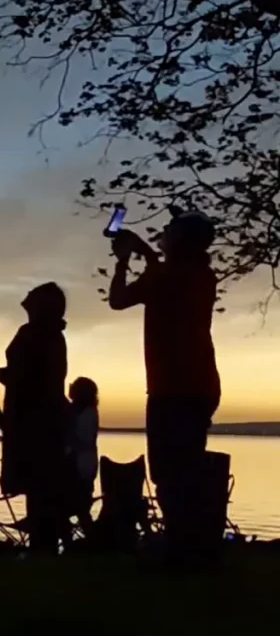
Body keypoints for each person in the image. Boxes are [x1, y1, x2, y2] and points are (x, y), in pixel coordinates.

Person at [108, 207, 221, 564]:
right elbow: (166, 274)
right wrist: (149, 254)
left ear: (180, 240)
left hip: (171, 388)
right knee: (187, 467)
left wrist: (125, 261)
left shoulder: (163, 276)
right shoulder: (204, 275)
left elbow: (118, 300)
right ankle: (191, 544)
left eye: (169, 230)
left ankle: (179, 549)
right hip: (201, 385)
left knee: (169, 471)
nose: (164, 232)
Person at [0, 281, 71, 553]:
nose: (25, 302)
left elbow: (28, 378)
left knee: (37, 485)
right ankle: (44, 547)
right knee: (43, 487)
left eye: (31, 299)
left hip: (32, 421)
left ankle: (41, 549)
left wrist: (5, 375)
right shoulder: (53, 336)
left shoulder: (34, 333)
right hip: (46, 421)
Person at [67, 377, 100, 539]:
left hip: (81, 467)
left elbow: (83, 439)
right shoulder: (79, 411)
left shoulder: (87, 413)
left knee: (80, 508)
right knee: (79, 508)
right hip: (82, 465)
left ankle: (92, 543)